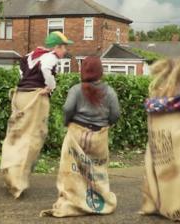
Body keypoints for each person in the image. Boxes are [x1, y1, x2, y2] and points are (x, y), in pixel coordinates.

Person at [40, 56, 120, 217]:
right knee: (97, 170)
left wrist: (67, 123)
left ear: (83, 71)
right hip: (99, 137)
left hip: (77, 134)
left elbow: (68, 109)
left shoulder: (76, 89)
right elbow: (116, 114)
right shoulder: (110, 91)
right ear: (100, 72)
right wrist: (107, 124)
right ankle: (99, 204)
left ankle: (74, 203)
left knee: (72, 171)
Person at [0, 31, 73, 199]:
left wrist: (26, 80)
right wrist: (50, 86)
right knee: (32, 138)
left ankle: (8, 171)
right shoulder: (50, 57)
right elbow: (46, 68)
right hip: (35, 97)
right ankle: (17, 182)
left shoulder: (30, 54)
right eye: (64, 48)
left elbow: (21, 71)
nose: (65, 52)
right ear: (56, 47)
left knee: (15, 135)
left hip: (20, 96)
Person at [140, 51, 180, 223]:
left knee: (153, 169)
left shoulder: (158, 90)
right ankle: (177, 208)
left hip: (158, 137)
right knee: (176, 172)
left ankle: (152, 204)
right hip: (176, 138)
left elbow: (150, 105)